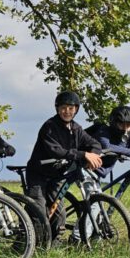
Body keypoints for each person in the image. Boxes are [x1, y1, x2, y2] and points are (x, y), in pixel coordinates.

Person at [23, 90, 102, 244]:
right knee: (38, 210)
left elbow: (95, 143)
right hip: (38, 173)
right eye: (63, 108)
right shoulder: (49, 126)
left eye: (71, 108)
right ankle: (31, 244)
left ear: (76, 109)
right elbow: (56, 151)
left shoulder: (76, 128)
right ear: (57, 108)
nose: (67, 111)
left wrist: (93, 155)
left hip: (56, 175)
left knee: (59, 214)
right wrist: (83, 155)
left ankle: (52, 245)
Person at [85, 105, 130, 178]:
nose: (125, 129)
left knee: (96, 190)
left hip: (96, 172)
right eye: (121, 124)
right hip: (82, 166)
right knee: (92, 190)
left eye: (128, 125)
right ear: (114, 122)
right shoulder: (103, 131)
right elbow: (107, 147)